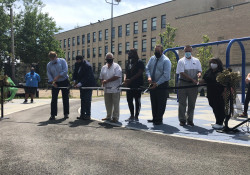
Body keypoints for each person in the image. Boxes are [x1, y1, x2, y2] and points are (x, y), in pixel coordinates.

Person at [176, 45, 202, 126]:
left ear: (191, 51)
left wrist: (199, 75)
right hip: (183, 83)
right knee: (182, 103)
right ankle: (182, 120)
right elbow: (181, 73)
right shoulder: (181, 61)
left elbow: (199, 70)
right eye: (186, 51)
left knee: (192, 103)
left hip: (193, 85)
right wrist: (191, 79)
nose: (188, 52)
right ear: (184, 51)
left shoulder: (196, 60)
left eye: (189, 51)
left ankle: (190, 120)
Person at [145, 44, 171, 125]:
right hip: (152, 83)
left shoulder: (166, 60)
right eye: (155, 51)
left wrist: (157, 83)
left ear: (162, 51)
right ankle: (154, 117)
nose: (156, 52)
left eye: (158, 51)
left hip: (162, 84)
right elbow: (147, 68)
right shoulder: (152, 58)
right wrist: (149, 77)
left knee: (161, 102)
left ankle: (159, 119)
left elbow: (166, 75)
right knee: (154, 101)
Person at [201, 58, 225, 129]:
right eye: (211, 62)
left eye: (214, 62)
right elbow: (204, 79)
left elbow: (226, 83)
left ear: (218, 63)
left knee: (219, 107)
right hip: (210, 93)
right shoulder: (209, 71)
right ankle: (217, 121)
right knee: (213, 106)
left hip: (219, 93)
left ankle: (220, 122)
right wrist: (198, 80)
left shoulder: (222, 72)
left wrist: (225, 91)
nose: (212, 64)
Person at [100, 52, 122, 123]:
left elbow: (117, 76)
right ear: (106, 59)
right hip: (107, 89)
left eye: (110, 58)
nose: (109, 59)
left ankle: (115, 117)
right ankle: (108, 116)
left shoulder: (117, 66)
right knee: (108, 103)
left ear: (113, 59)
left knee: (116, 104)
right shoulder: (104, 67)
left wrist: (107, 81)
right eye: (108, 58)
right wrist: (103, 81)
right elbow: (101, 77)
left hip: (115, 89)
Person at [47, 51, 70, 120]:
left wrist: (58, 76)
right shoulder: (49, 64)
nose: (52, 60)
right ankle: (53, 114)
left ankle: (66, 113)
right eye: (51, 59)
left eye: (53, 58)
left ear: (56, 57)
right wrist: (52, 82)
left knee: (65, 98)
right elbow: (49, 74)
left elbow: (65, 71)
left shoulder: (62, 61)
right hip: (55, 83)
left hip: (64, 81)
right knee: (54, 98)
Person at [124, 48, 145, 122]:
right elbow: (126, 72)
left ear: (135, 54)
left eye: (131, 53)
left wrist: (131, 80)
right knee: (129, 100)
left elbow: (140, 73)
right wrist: (125, 79)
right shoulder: (128, 63)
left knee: (137, 100)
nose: (129, 54)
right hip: (129, 85)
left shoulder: (139, 62)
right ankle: (132, 115)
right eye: (129, 53)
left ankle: (136, 116)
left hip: (137, 85)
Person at [73, 55, 96, 120]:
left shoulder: (87, 66)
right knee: (82, 99)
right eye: (76, 61)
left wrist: (79, 84)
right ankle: (82, 114)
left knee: (87, 100)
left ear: (81, 60)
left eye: (78, 60)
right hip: (82, 85)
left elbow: (87, 77)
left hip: (89, 84)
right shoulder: (77, 64)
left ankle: (88, 115)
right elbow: (75, 73)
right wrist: (74, 81)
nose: (77, 62)